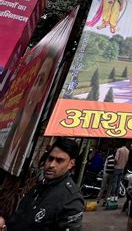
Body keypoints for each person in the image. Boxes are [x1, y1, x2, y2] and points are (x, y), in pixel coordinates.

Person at [0, 138, 84, 230]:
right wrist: (4, 223)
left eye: (59, 160)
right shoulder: (38, 187)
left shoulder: (71, 199)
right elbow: (20, 219)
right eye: (50, 158)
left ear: (71, 164)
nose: (51, 165)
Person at [0, 47, 58, 175]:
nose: (32, 90)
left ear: (44, 92)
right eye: (34, 80)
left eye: (40, 82)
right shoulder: (6, 133)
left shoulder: (30, 143)